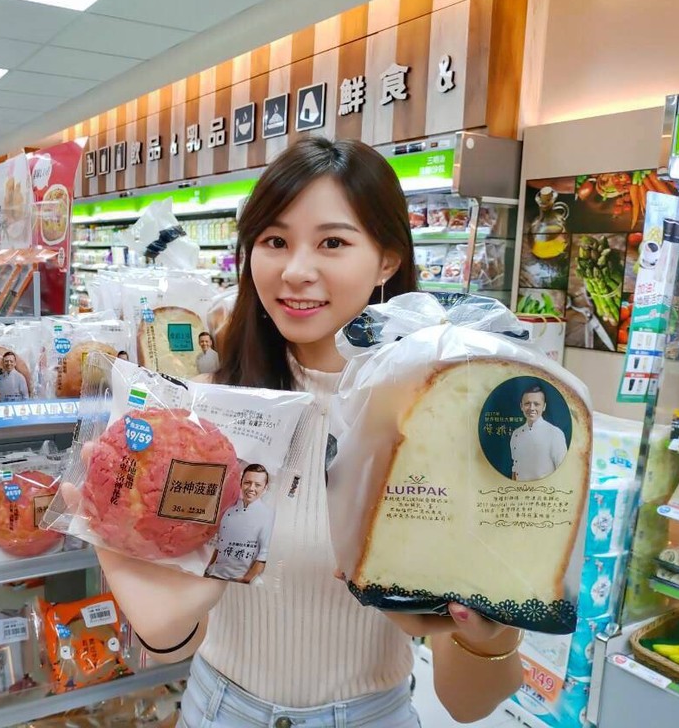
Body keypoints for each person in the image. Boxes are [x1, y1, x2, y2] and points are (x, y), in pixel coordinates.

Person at [88, 138, 523, 727]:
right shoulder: (202, 414)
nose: (295, 271)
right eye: (274, 241)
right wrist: (161, 621)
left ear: (387, 260)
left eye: (332, 242)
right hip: (218, 711)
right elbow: (175, 637)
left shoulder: (434, 420)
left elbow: (467, 704)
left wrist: (490, 631)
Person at [204, 464, 274, 584]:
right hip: (214, 574)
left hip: (238, 580)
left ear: (265, 488)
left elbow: (264, 554)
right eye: (247, 483)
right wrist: (207, 570)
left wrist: (245, 580)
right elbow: (220, 545)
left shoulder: (268, 515)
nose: (251, 488)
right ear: (241, 483)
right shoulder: (229, 511)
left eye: (257, 485)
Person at [510, 384, 568, 482]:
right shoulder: (516, 434)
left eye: (536, 404)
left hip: (546, 490)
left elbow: (563, 471)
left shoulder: (555, 433)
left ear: (544, 406)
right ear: (521, 406)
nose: (531, 408)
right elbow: (515, 468)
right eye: (527, 403)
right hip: (519, 490)